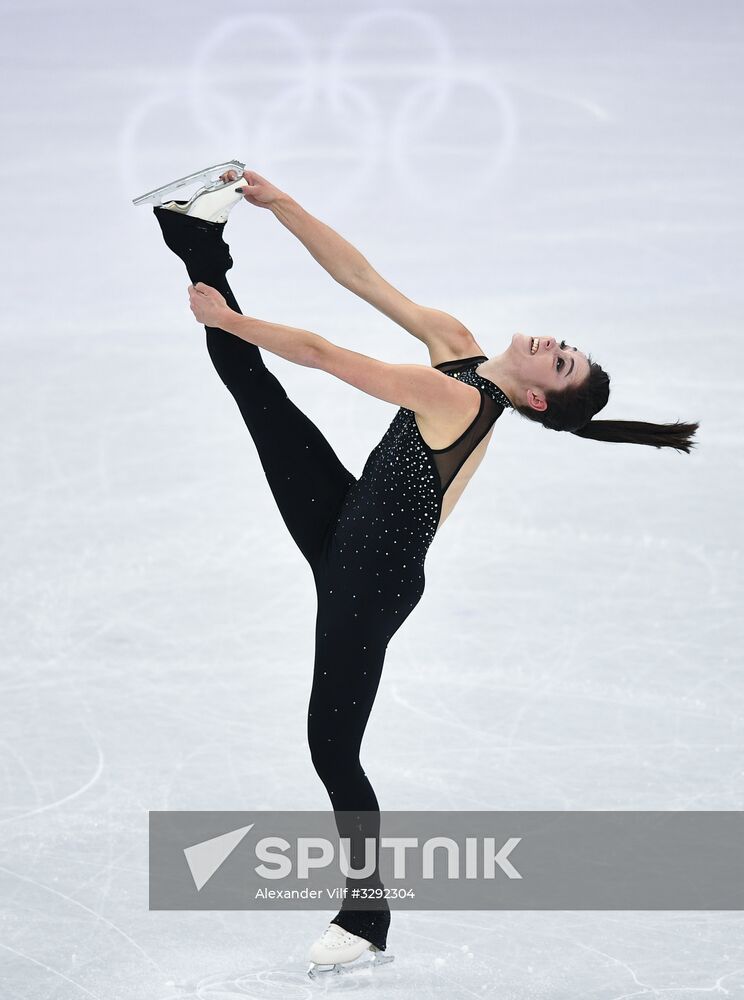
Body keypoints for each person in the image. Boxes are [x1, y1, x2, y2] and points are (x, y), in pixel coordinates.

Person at [143, 165, 698, 977]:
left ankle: (367, 915)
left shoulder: (460, 400)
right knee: (244, 374)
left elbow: (327, 355)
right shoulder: (458, 349)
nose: (555, 344)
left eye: (562, 363)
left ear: (541, 400)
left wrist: (234, 318)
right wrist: (283, 204)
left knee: (330, 746)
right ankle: (197, 233)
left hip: (371, 579)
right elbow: (363, 278)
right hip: (344, 521)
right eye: (567, 348)